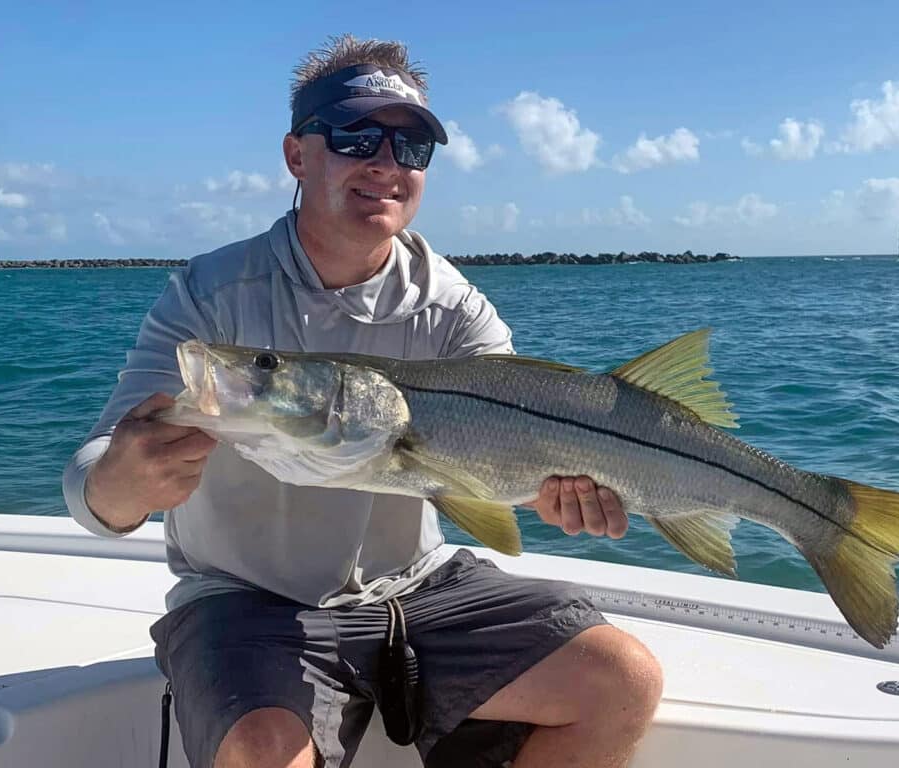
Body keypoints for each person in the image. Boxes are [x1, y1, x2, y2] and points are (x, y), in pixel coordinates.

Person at [63, 34, 663, 768]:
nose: (385, 163)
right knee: (260, 752)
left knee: (619, 681)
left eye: (410, 148)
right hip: (246, 600)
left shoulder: (455, 309)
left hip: (420, 586)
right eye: (355, 136)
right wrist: (121, 483)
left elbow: (503, 463)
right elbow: (93, 480)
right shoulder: (210, 299)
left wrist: (561, 496)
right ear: (297, 155)